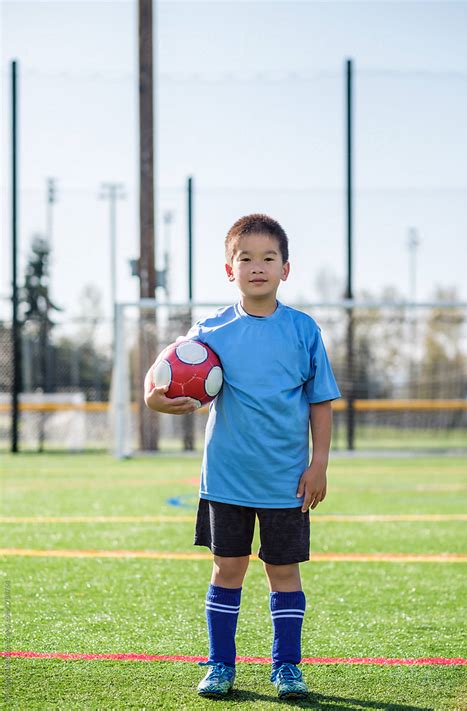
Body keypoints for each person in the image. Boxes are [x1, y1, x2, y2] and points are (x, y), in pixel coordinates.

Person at [144, 214, 340, 699]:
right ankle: (219, 665)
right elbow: (161, 377)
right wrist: (154, 398)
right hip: (227, 478)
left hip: (286, 479)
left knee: (284, 574)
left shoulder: (303, 329)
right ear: (229, 270)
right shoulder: (210, 329)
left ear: (285, 269)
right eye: (245, 258)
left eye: (268, 258)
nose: (257, 267)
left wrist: (319, 465)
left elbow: (320, 402)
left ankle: (287, 667)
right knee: (227, 570)